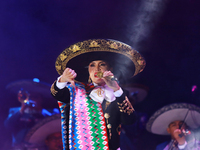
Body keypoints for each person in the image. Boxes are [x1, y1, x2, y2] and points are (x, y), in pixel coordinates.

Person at [50, 39, 146, 150]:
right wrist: (62, 80)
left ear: (110, 69)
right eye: (92, 65)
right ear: (89, 73)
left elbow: (130, 120)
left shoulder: (118, 93)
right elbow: (57, 94)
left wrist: (116, 89)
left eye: (102, 64)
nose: (97, 68)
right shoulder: (77, 92)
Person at [4, 79, 59, 149]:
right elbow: (8, 125)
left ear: (41, 99)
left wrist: (40, 111)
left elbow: (56, 124)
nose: (31, 99)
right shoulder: (15, 111)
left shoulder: (51, 112)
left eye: (35, 97)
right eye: (29, 97)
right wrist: (22, 110)